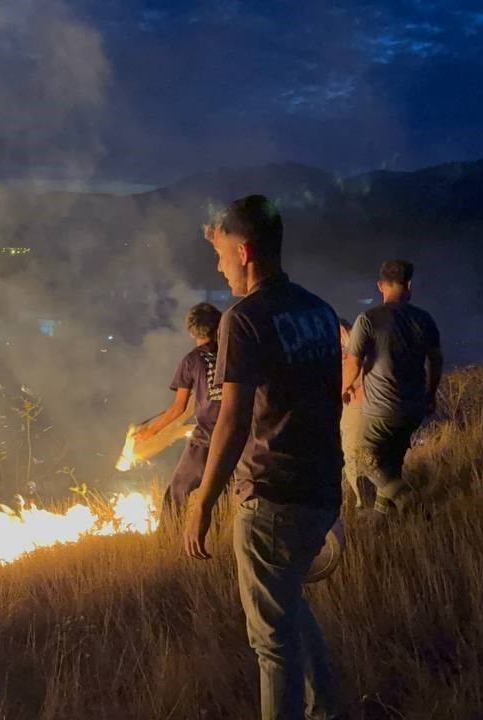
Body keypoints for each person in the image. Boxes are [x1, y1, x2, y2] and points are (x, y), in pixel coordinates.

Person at [184, 194, 343, 720]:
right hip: (321, 489)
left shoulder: (244, 318)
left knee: (271, 644)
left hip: (272, 495)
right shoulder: (319, 311)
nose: (219, 265)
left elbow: (231, 420)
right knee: (289, 605)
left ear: (246, 249)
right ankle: (330, 710)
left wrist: (202, 500)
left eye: (223, 254)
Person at [341, 260, 442, 513]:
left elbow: (353, 364)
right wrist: (430, 394)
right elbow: (436, 360)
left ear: (379, 285)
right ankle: (383, 520)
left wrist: (341, 390)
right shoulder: (425, 319)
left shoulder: (368, 319)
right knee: (391, 463)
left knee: (362, 458)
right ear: (409, 285)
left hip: (380, 410)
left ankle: (410, 501)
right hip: (414, 409)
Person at [135, 302, 224, 518]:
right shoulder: (233, 354)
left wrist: (151, 431)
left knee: (179, 490)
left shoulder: (191, 360)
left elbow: (178, 407)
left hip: (208, 435)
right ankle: (223, 536)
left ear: (191, 331)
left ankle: (167, 538)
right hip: (239, 432)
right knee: (225, 490)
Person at [338, 318, 366, 508]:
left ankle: (363, 505)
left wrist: (344, 388)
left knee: (353, 456)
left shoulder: (337, 329)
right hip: (360, 400)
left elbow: (354, 362)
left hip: (355, 400)